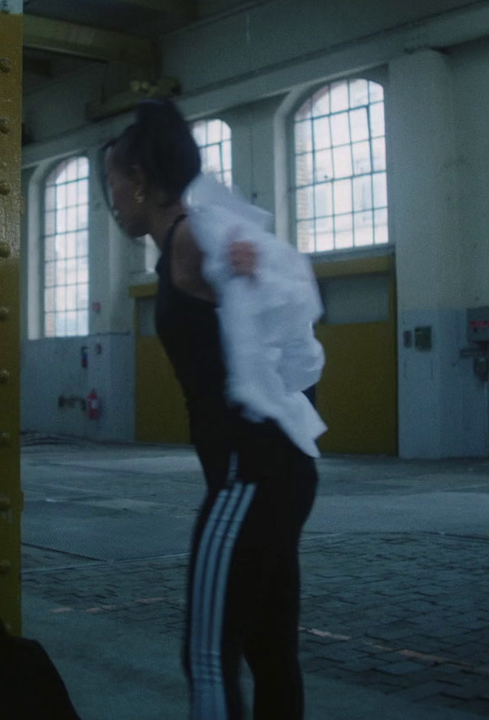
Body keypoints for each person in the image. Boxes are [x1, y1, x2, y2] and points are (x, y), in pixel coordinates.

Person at [101, 99, 323, 720]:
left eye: (113, 186)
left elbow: (288, 281)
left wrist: (247, 261)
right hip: (274, 473)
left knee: (207, 654)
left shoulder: (195, 235)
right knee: (270, 650)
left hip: (246, 477)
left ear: (140, 181)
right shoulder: (189, 237)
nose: (112, 201)